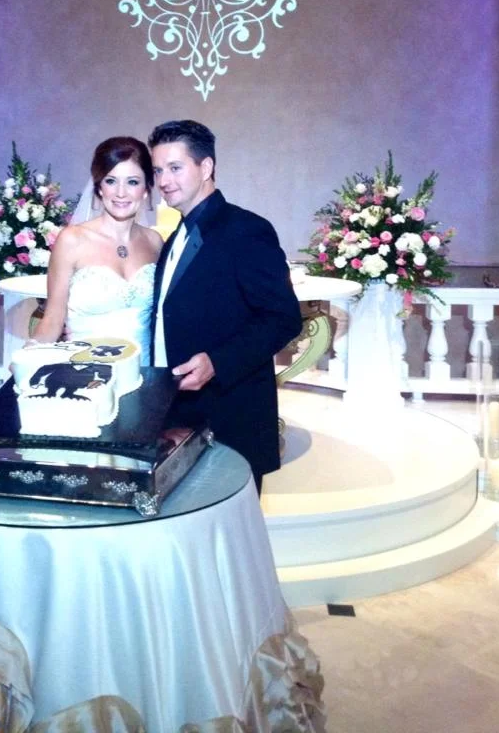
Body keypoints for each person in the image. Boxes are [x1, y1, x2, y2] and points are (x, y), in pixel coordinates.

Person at [148, 120, 301, 492]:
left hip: (231, 414)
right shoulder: (174, 237)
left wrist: (217, 362)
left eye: (175, 167)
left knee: (231, 525)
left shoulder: (246, 230)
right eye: (157, 170)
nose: (164, 180)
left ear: (206, 167)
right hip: (179, 414)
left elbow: (283, 318)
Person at [32, 136, 161, 363]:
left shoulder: (155, 242)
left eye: (132, 182)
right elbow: (52, 321)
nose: (121, 193)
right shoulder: (72, 240)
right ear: (99, 188)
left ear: (146, 189)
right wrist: (25, 361)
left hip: (143, 373)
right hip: (85, 374)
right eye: (111, 181)